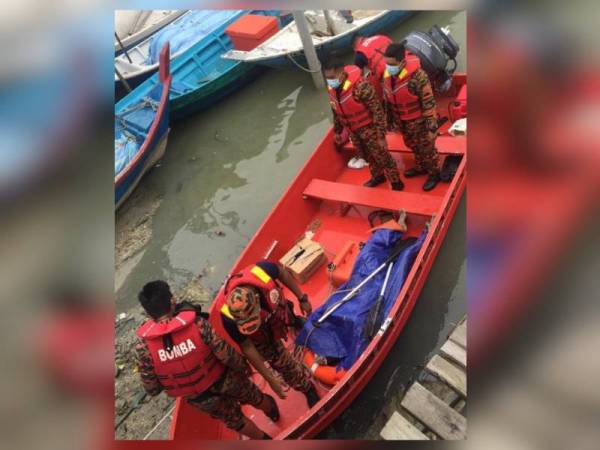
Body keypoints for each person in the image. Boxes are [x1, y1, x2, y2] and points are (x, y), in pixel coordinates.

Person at [134, 280, 279, 440]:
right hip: (225, 379)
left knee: (234, 420)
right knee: (254, 396)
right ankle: (272, 412)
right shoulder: (197, 324)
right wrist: (243, 366)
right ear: (172, 301)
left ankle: (264, 440)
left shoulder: (144, 348)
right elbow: (225, 353)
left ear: (148, 314)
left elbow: (152, 389)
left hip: (200, 398)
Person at [215, 261, 320, 408]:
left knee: (285, 313)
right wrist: (269, 378)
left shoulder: (262, 271)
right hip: (262, 339)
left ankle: (295, 322)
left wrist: (302, 298)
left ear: (257, 300)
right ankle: (307, 387)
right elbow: (247, 346)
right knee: (283, 365)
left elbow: (283, 273)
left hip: (276, 311)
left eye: (252, 319)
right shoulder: (228, 318)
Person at [324, 58, 404, 190]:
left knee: (382, 155)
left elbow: (377, 111)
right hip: (353, 131)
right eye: (327, 78)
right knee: (367, 156)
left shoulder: (361, 86)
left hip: (369, 129)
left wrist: (381, 136)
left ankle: (396, 181)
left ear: (341, 73)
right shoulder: (332, 89)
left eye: (332, 77)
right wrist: (337, 132)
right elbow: (336, 111)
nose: (330, 81)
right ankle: (377, 176)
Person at [382, 42, 442, 191]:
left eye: (391, 64)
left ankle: (434, 173)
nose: (388, 67)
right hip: (402, 121)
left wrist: (432, 126)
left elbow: (428, 102)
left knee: (426, 148)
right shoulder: (389, 75)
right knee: (412, 145)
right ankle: (421, 166)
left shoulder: (418, 76)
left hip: (419, 121)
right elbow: (388, 99)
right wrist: (389, 121)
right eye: (386, 64)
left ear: (402, 62)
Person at [353, 34, 393, 101]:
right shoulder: (380, 36)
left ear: (355, 48)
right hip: (399, 62)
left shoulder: (359, 54)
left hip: (386, 74)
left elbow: (359, 77)